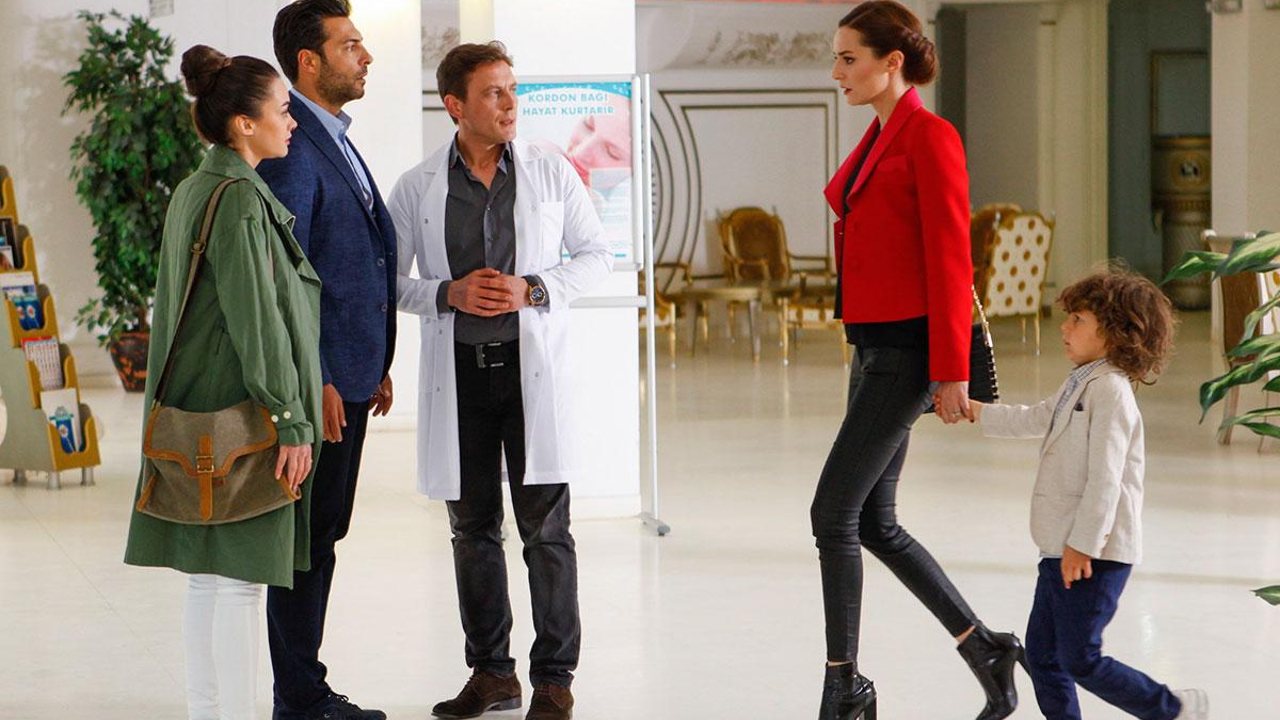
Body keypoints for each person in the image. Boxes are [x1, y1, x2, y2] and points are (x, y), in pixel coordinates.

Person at [813, 3, 1027, 719]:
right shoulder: (881, 134)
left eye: (849, 58)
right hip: (870, 344)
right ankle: (985, 648)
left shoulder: (930, 137)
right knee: (873, 522)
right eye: (838, 57)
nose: (837, 71)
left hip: (906, 352)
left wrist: (951, 371)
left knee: (832, 513)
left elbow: (949, 257)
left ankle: (843, 685)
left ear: (892, 61)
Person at [387, 41, 612, 720]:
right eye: (493, 92)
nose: (510, 103)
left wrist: (533, 288)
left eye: (512, 89)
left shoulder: (550, 170)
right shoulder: (417, 186)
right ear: (455, 105)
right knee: (472, 528)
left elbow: (596, 256)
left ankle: (554, 680)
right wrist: (446, 294)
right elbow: (386, 280)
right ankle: (491, 674)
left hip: (529, 373)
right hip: (460, 376)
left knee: (547, 529)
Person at [123, 45, 322, 720]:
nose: (291, 122)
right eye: (282, 110)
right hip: (243, 413)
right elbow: (256, 319)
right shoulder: (238, 199)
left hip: (202, 408)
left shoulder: (196, 187)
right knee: (239, 586)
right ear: (244, 123)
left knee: (209, 583)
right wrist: (291, 419)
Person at [969, 269, 1208, 720]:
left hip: (1094, 553)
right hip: (1061, 547)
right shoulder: (1082, 379)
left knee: (1080, 657)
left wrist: (1083, 544)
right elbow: (1038, 417)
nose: (1064, 327)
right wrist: (979, 413)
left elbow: (1106, 479)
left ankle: (1172, 708)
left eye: (1077, 319)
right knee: (1043, 655)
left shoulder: (1111, 392)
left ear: (1116, 333)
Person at [256, 2, 398, 719]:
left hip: (350, 378)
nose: (365, 56)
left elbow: (354, 260)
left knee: (322, 534)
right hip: (321, 390)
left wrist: (372, 359)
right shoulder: (293, 147)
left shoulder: (333, 137)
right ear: (308, 62)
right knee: (305, 542)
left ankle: (303, 689)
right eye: (350, 45)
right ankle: (300, 698)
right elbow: (287, 277)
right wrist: (317, 377)